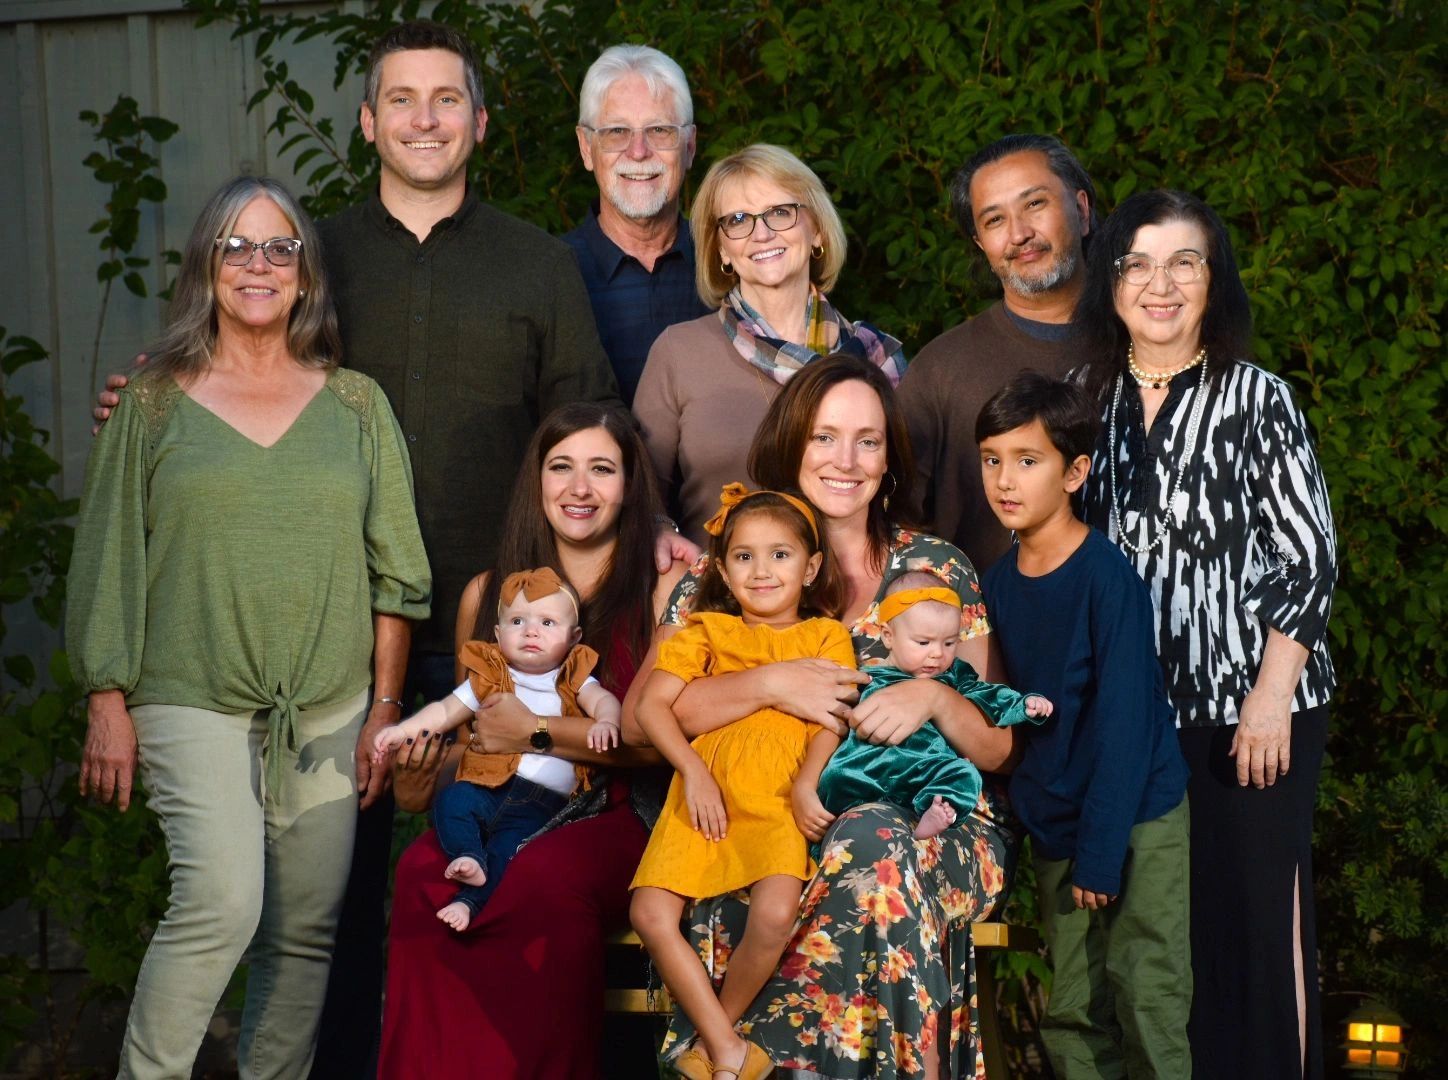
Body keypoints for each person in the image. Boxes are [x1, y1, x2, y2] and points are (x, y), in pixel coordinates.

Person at [89, 24, 643, 1075]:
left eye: (447, 99)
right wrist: (147, 395)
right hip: (340, 641)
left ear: (481, 122)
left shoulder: (537, 264)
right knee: (325, 914)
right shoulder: (313, 255)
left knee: (493, 878)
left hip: (502, 635)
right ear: (365, 122)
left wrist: (649, 545)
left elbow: (589, 427)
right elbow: (230, 364)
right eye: (401, 99)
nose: (424, 119)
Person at [65, 176, 431, 1079]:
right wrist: (106, 696)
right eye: (235, 246)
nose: (257, 265)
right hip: (191, 694)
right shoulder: (151, 403)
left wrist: (385, 708)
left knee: (304, 933)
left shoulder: (356, 405)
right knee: (221, 903)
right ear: (206, 267)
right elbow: (108, 554)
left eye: (278, 247)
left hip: (330, 704)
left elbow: (398, 575)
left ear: (305, 274)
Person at [626, 354, 1020, 1078]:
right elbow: (638, 726)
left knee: (868, 843)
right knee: (792, 860)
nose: (846, 460)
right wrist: (772, 683)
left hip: (931, 819)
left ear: (889, 459)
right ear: (791, 443)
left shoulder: (937, 569)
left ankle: (730, 1049)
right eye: (824, 437)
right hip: (758, 812)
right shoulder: (726, 568)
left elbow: (996, 750)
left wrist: (936, 697)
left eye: (868, 441)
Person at [1074, 190, 1337, 1079]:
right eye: (1138, 264)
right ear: (1111, 282)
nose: (1162, 284)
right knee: (1162, 939)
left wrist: (1269, 700)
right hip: (1136, 717)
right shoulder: (1085, 400)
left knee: (1254, 928)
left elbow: (1309, 558)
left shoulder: (1258, 398)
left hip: (1251, 711)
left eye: (1184, 262)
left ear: (1214, 279)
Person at [378, 402, 690, 1079]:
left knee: (542, 877)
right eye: (561, 467)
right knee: (421, 871)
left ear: (630, 484)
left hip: (625, 809)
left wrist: (539, 732)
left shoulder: (665, 585)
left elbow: (654, 743)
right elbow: (479, 743)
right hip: (505, 802)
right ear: (536, 480)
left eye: (602, 469)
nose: (579, 488)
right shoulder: (488, 594)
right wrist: (419, 781)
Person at [976, 372, 1191, 1077]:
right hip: (1059, 824)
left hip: (1136, 816)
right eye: (992, 459)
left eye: (1027, 460)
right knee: (1071, 1006)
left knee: (1146, 993)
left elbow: (1126, 725)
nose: (1005, 480)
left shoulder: (1107, 579)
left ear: (1074, 473)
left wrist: (1100, 852)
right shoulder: (996, 585)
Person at [630, 486, 852, 1080]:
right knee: (649, 912)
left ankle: (717, 1042)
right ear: (724, 573)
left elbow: (832, 722)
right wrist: (693, 771)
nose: (761, 571)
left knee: (776, 913)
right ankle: (730, 1051)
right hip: (706, 793)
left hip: (778, 795)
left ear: (811, 568)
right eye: (744, 557)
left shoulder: (825, 636)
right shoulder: (705, 631)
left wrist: (807, 786)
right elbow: (650, 709)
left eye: (780, 555)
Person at [633, 143, 908, 541]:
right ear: (721, 249)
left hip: (853, 579)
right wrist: (662, 537)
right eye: (738, 219)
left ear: (816, 230)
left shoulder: (875, 358)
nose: (761, 234)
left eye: (780, 212)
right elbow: (640, 496)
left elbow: (907, 498)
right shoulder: (678, 353)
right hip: (714, 578)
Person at [372, 568, 622, 931]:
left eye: (548, 623)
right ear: (498, 634)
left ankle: (469, 902)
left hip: (543, 801)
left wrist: (606, 722)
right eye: (517, 621)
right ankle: (468, 855)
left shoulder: (572, 676)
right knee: (451, 802)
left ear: (574, 637)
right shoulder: (489, 677)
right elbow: (444, 712)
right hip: (487, 787)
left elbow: (604, 701)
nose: (531, 631)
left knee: (512, 850)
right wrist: (401, 731)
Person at [899, 133, 1098, 571]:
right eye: (994, 220)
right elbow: (893, 527)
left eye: (1035, 204)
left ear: (1082, 210)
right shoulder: (940, 372)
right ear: (980, 245)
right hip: (986, 614)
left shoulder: (1150, 348)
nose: (1019, 234)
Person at [810, 571, 1051, 842]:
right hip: (862, 772)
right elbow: (833, 724)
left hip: (922, 772)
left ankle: (932, 814)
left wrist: (1022, 705)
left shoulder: (954, 678)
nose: (937, 653)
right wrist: (807, 783)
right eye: (923, 642)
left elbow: (989, 697)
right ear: (888, 636)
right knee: (835, 779)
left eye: (949, 643)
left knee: (963, 775)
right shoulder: (866, 678)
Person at [565, 44, 711, 404]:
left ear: (690, 146)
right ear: (586, 147)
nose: (638, 151)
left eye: (659, 130)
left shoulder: (728, 265)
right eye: (617, 131)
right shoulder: (551, 274)